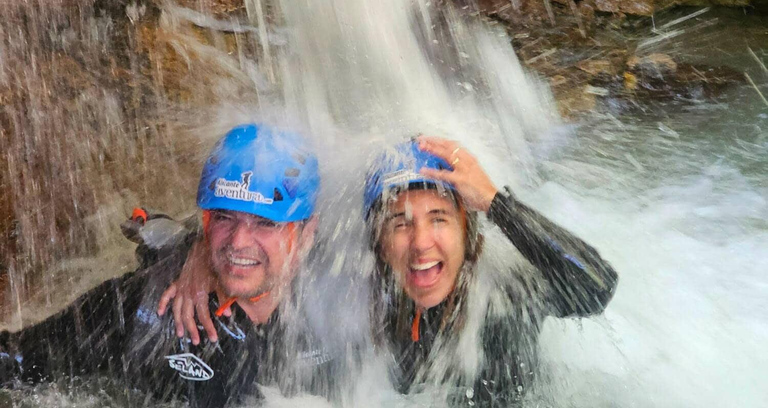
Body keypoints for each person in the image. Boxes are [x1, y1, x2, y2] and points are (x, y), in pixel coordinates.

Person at [0, 124, 336, 406]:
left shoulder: (340, 308)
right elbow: (12, 359)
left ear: (307, 233)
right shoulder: (138, 309)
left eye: (265, 223)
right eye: (223, 217)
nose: (237, 242)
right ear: (205, 222)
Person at [363, 136, 618, 406]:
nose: (421, 243)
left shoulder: (505, 292)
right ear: (379, 244)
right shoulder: (358, 309)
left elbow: (597, 288)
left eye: (438, 218)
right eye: (400, 224)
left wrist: (495, 203)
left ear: (466, 234)